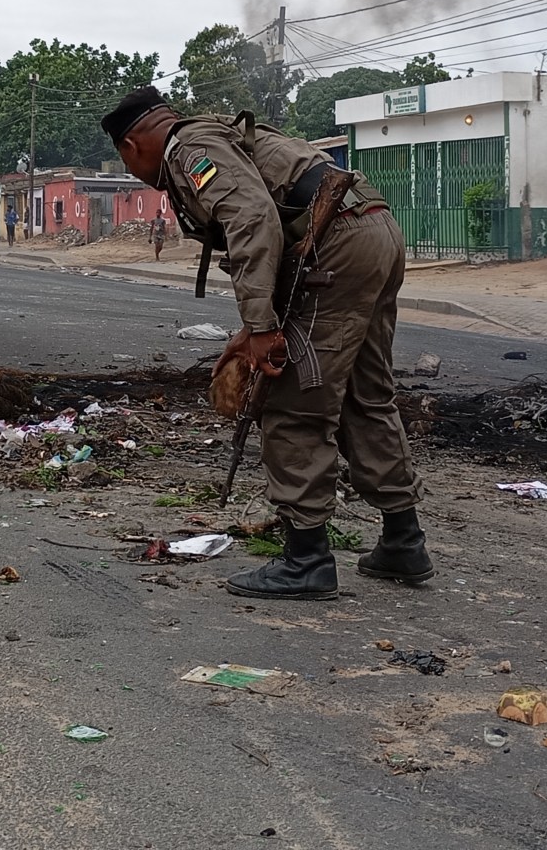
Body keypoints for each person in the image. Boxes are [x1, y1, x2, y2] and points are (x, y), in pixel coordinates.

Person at [101, 85, 431, 601]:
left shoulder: (188, 151)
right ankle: (404, 543)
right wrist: (255, 325)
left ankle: (307, 561)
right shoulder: (218, 133)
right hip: (373, 229)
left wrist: (261, 328)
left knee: (294, 403)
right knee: (366, 396)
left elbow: (252, 219)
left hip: (335, 247)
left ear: (130, 147)